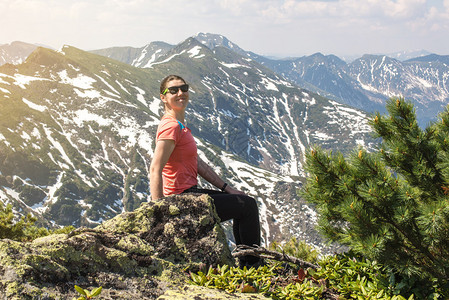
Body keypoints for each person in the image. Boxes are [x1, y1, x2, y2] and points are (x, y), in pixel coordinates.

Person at [149, 75, 262, 267]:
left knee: (243, 204)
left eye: (183, 88)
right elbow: (155, 168)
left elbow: (198, 163)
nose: (180, 93)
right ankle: (251, 266)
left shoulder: (180, 126)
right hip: (181, 199)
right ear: (163, 97)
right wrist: (160, 210)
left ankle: (248, 263)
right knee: (247, 207)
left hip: (189, 193)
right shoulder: (171, 126)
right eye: (173, 90)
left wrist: (227, 189)